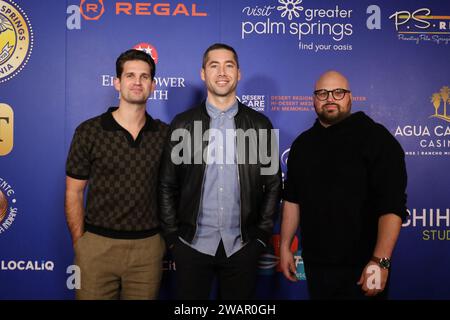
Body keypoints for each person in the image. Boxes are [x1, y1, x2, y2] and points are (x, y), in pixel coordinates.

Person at [158, 43, 281, 300]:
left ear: (239, 73)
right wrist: (172, 238)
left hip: (242, 246)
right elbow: (167, 184)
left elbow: (272, 184)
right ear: (203, 73)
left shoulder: (260, 125)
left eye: (229, 65)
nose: (222, 72)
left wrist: (260, 236)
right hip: (192, 245)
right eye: (214, 65)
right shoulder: (183, 124)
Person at [280, 70, 408, 300]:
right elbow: (292, 199)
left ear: (350, 97)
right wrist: (285, 246)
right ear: (313, 99)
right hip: (316, 266)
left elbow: (392, 206)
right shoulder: (302, 144)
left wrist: (381, 261)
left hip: (363, 267)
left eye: (338, 92)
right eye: (323, 93)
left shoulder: (376, 139)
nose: (330, 98)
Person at [65, 49, 168, 300]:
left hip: (148, 249)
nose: (137, 82)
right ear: (117, 82)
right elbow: (74, 192)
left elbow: (173, 192)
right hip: (97, 247)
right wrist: (82, 245)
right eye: (130, 75)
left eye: (144, 77)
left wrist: (163, 241)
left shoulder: (165, 135)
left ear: (153, 86)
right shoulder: (90, 131)